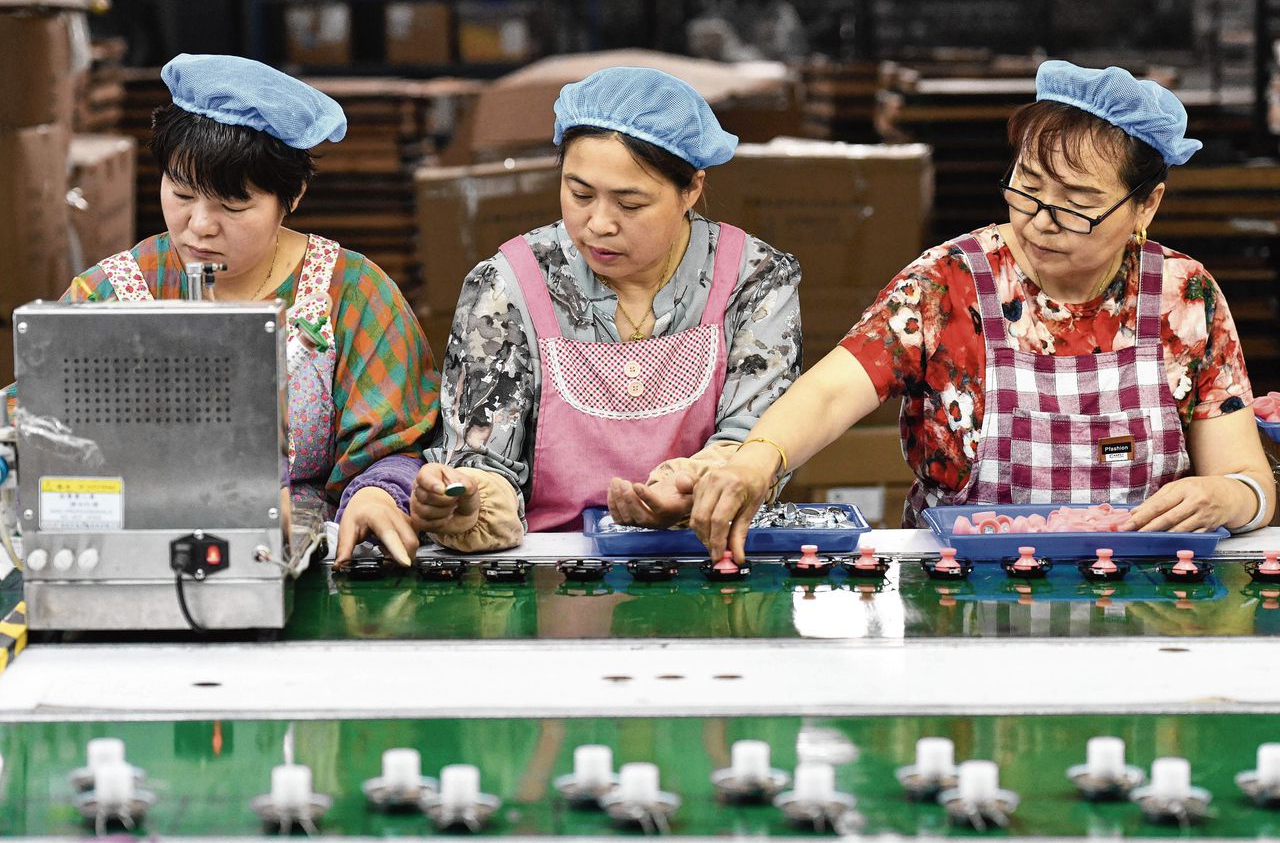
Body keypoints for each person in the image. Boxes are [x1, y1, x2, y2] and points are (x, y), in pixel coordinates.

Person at [690, 60, 1276, 559]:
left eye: (1078, 204)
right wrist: (756, 461)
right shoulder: (948, 284)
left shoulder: (1184, 296)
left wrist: (1234, 497)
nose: (1042, 220)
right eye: (1029, 184)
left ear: (1147, 205)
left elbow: (1244, 476)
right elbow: (831, 390)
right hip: (964, 593)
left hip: (1150, 595)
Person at [336, 67, 802, 561]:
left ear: (691, 190)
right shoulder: (508, 284)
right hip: (546, 567)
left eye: (631, 203)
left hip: (707, 556)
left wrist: (689, 487)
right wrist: (467, 504)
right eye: (579, 194)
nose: (598, 224)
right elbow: (483, 458)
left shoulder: (753, 279)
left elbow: (757, 441)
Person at [9, 54, 440, 526]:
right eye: (181, 194)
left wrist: (377, 495)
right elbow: (43, 433)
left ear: (292, 197)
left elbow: (397, 443)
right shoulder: (108, 293)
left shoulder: (352, 293)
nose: (199, 227)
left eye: (232, 206)